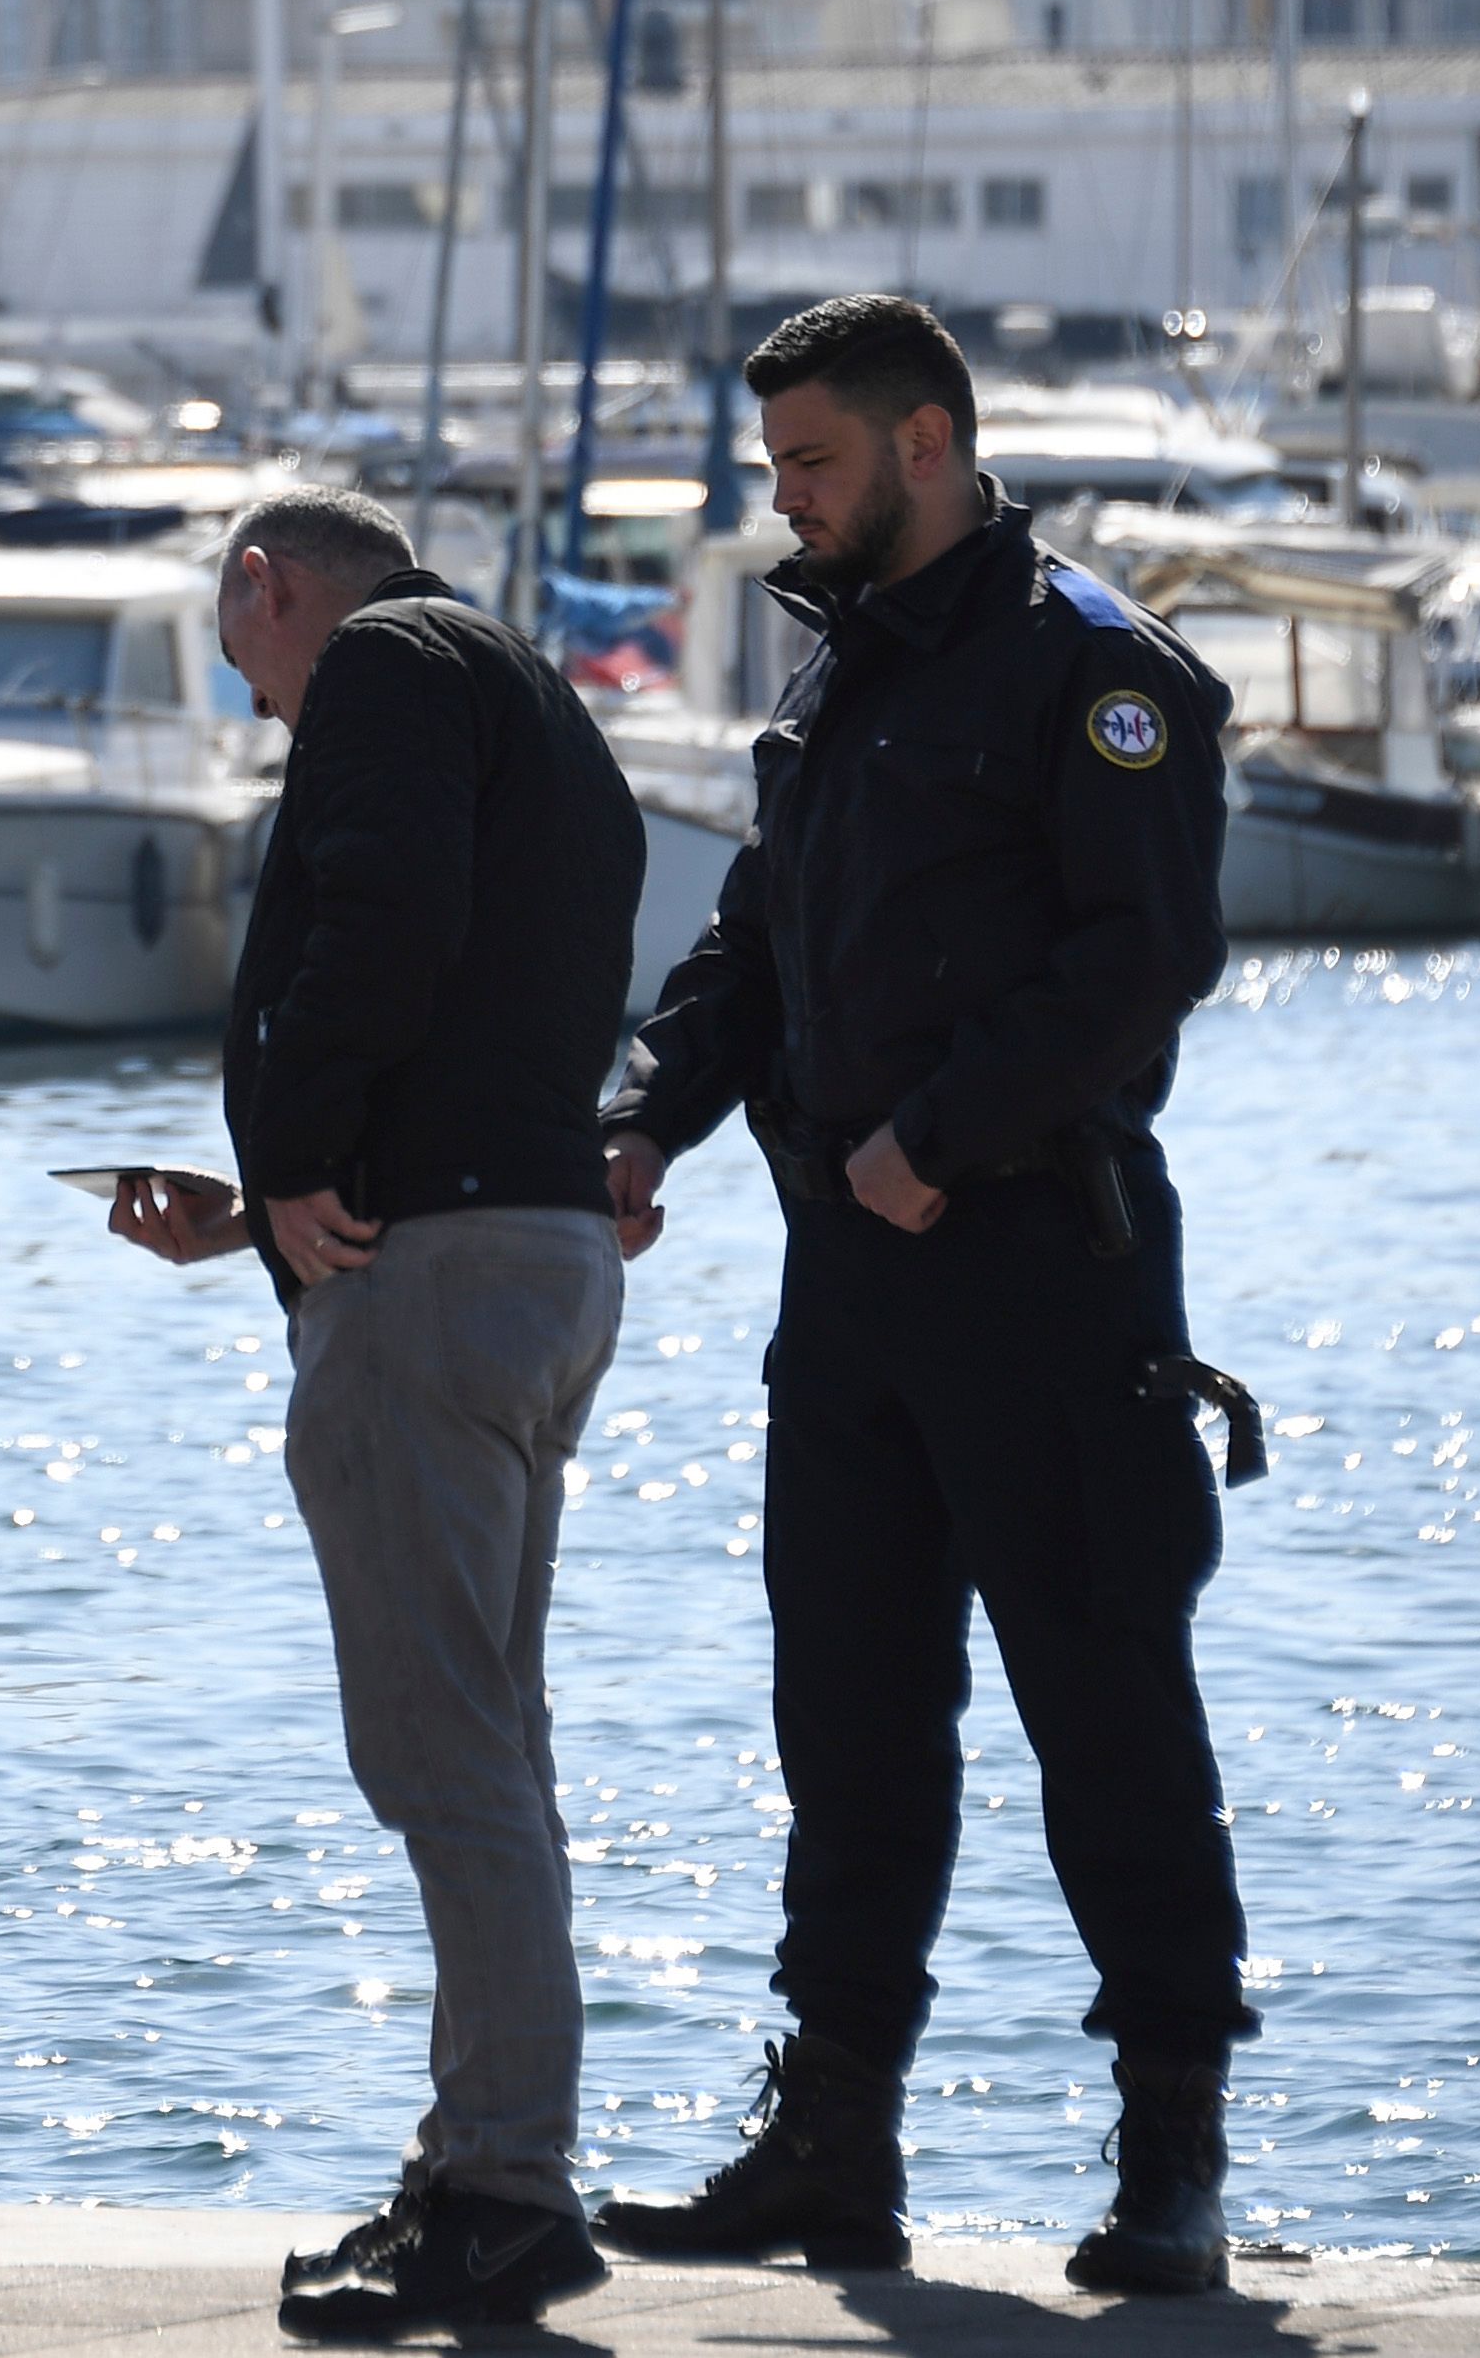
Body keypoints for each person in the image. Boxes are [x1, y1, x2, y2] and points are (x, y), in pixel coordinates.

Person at [594, 294, 1251, 2295]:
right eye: (773, 466)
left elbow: (1140, 967)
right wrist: (637, 1121)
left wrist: (939, 1141)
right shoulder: (838, 684)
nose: (781, 501)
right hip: (849, 1305)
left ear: (931, 446)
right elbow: (749, 950)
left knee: (1105, 1716)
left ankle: (1171, 2166)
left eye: (810, 464)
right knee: (852, 1727)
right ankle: (831, 2144)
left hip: (1041, 1274)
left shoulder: (1098, 678)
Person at [107, 484, 649, 2339]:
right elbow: (481, 984)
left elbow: (386, 922)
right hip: (528, 1252)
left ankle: (504, 2191)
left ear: (266, 587)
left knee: (442, 1756)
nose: (261, 702)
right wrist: (255, 1204)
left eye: (243, 653)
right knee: (493, 1747)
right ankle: (490, 2159)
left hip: (431, 1282)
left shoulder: (392, 670)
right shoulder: (525, 688)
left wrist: (302, 1148)